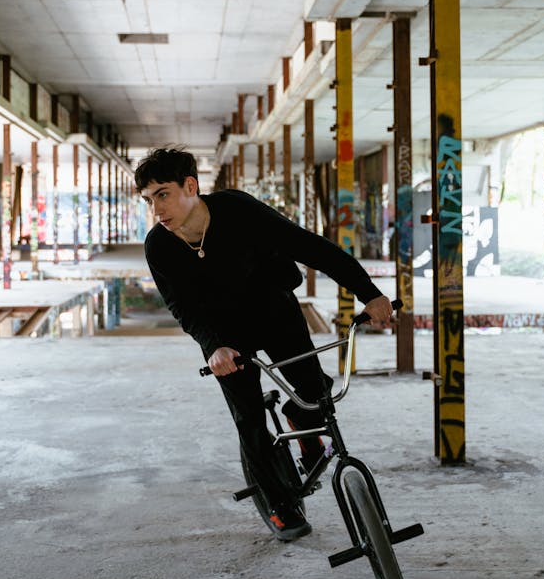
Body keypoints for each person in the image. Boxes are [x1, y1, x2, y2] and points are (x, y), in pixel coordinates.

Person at [135, 147, 394, 543]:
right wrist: (212, 347)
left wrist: (369, 293)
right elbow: (182, 306)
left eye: (163, 194)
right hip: (226, 337)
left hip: (274, 311)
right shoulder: (159, 245)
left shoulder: (238, 210)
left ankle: (300, 423)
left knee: (314, 395)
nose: (157, 209)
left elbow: (311, 247)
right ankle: (279, 504)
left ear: (191, 186)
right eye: (149, 199)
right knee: (249, 418)